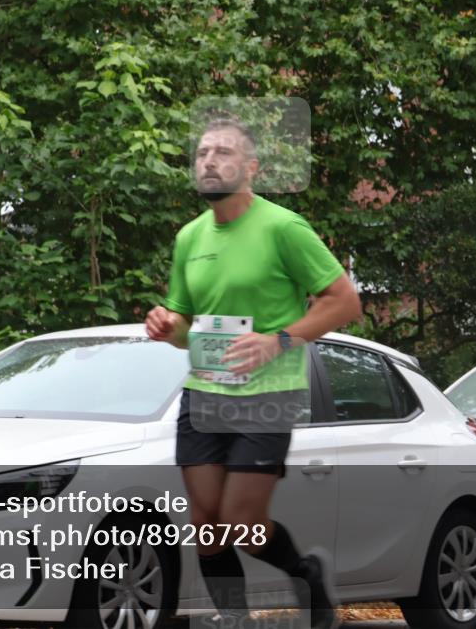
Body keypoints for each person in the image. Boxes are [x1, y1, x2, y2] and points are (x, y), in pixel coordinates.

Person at [145, 118, 362, 629]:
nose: (209, 161)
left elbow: (344, 302)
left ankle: (304, 572)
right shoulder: (189, 238)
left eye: (222, 152)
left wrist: (278, 340)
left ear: (250, 168)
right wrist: (165, 324)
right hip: (204, 394)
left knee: (241, 523)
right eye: (201, 153)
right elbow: (184, 326)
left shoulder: (283, 228)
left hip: (268, 395)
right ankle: (234, 621)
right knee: (207, 528)